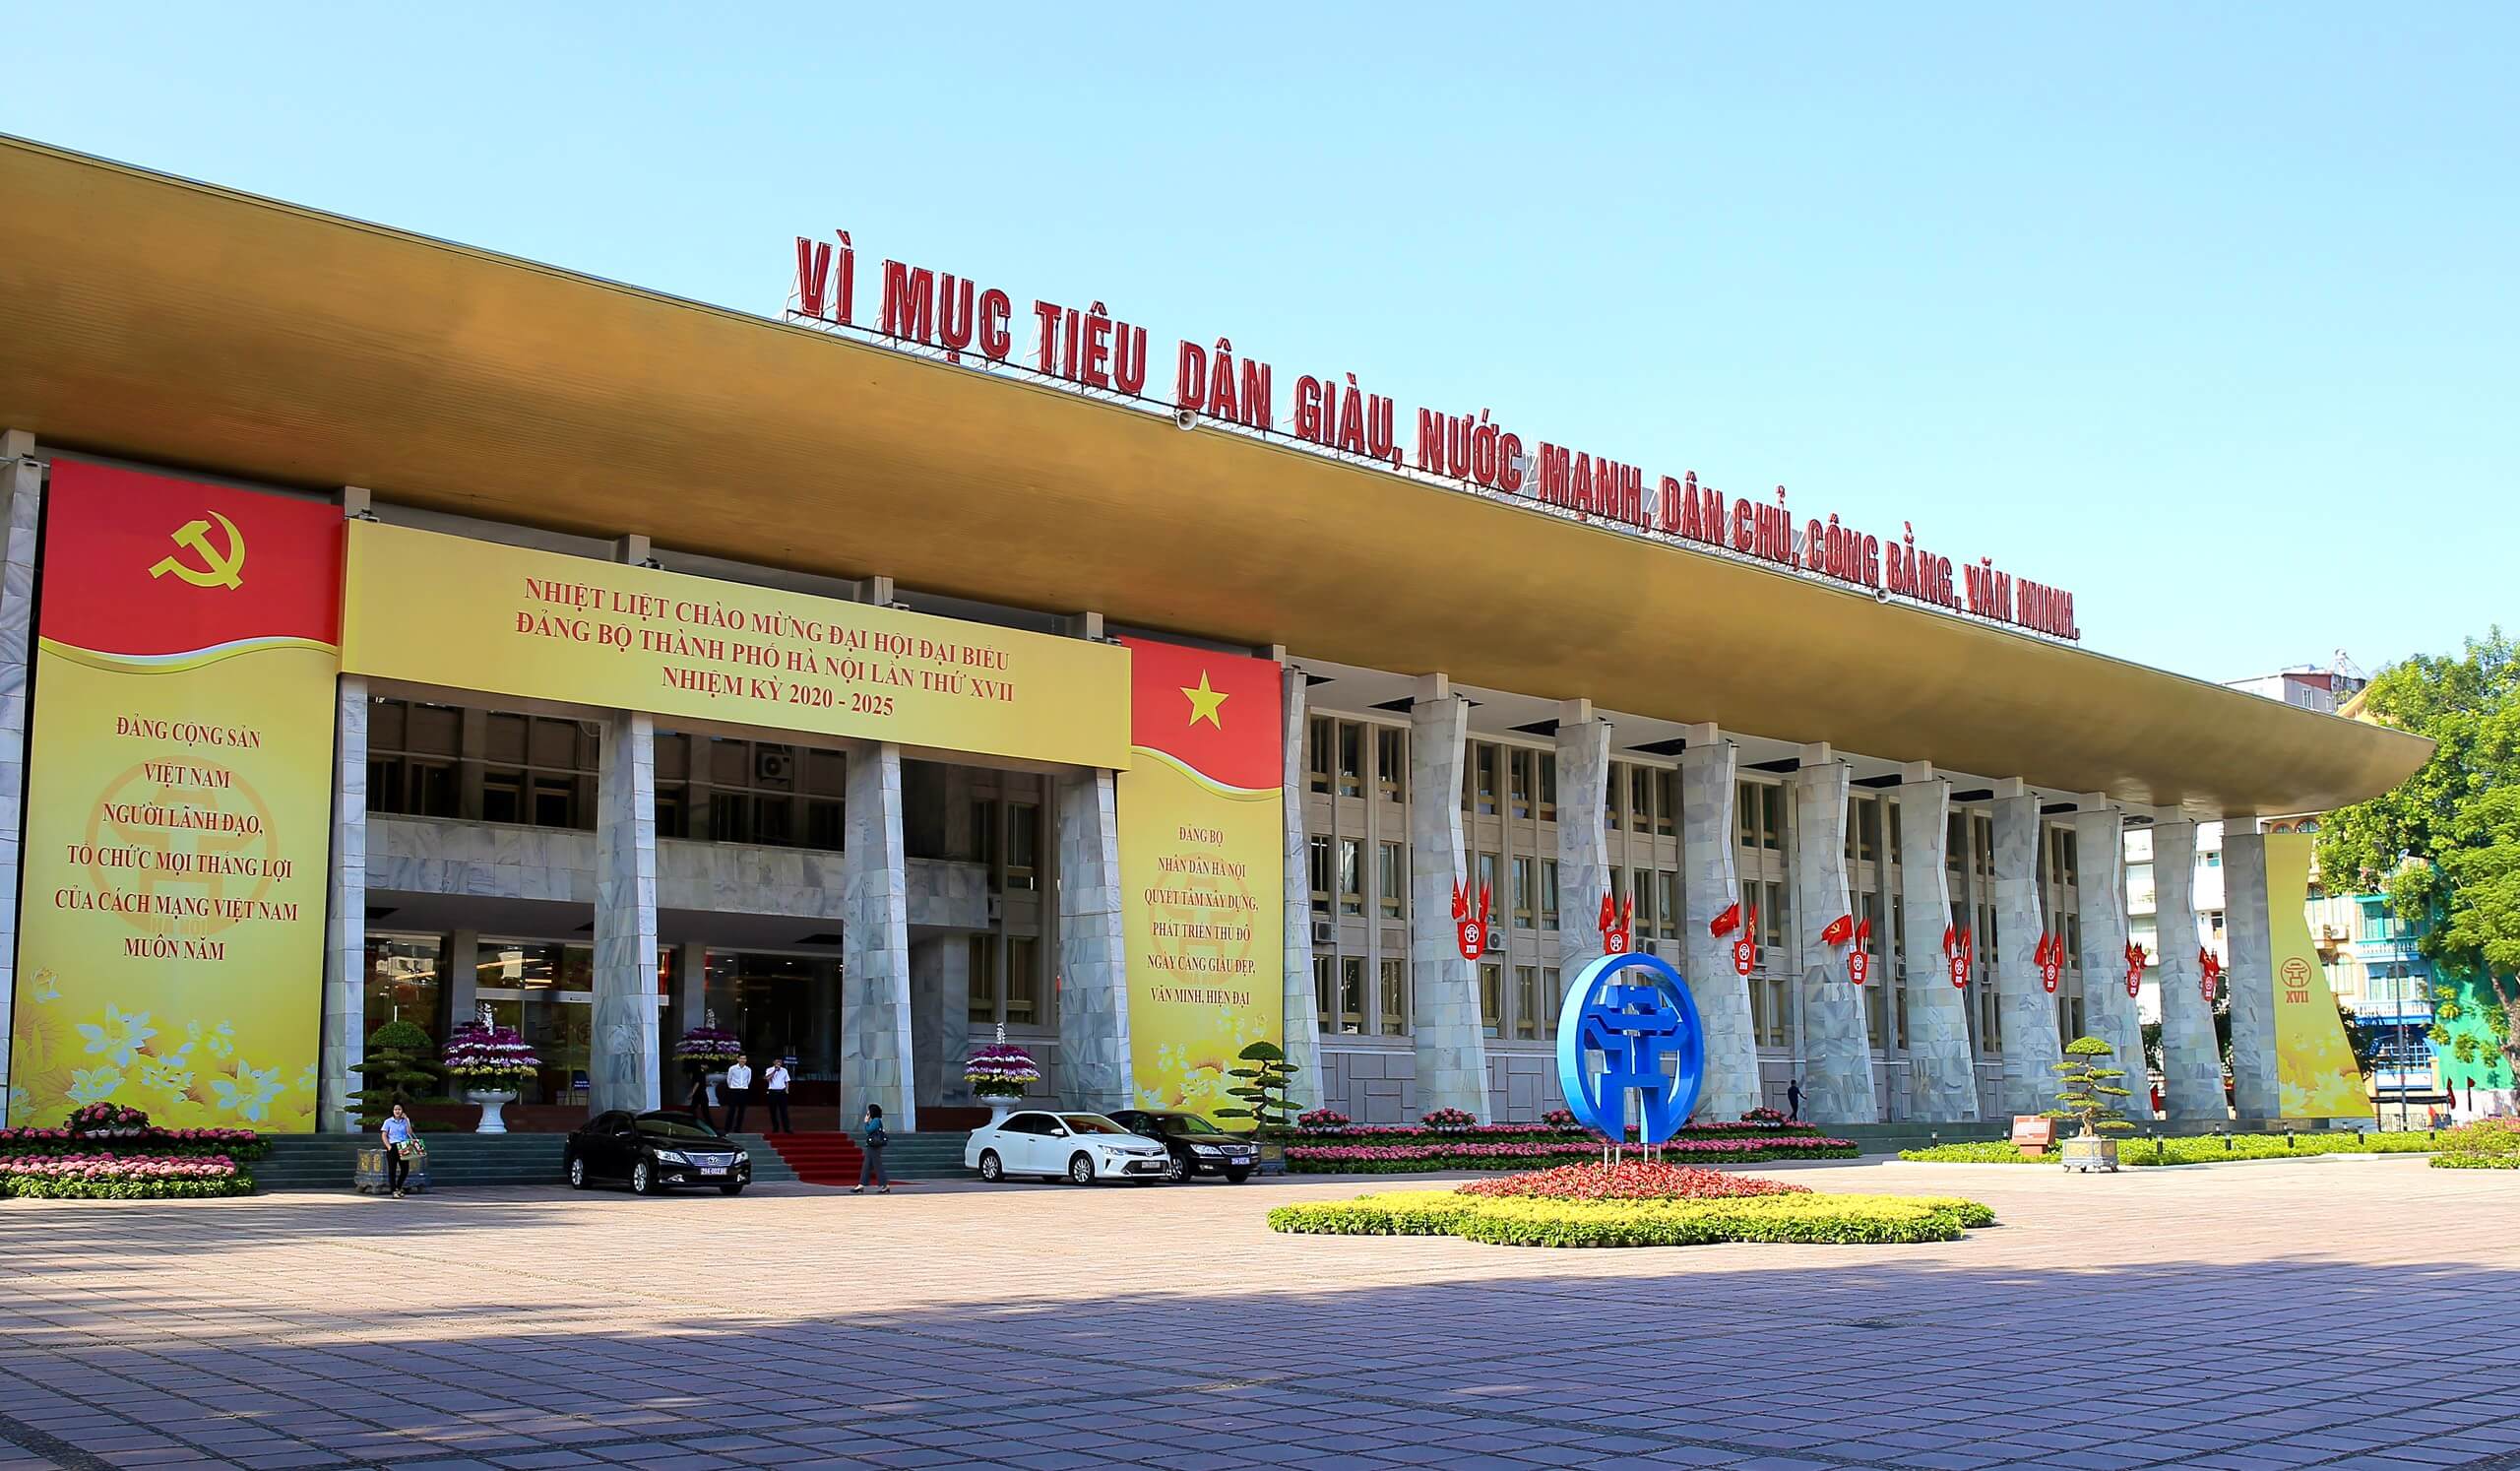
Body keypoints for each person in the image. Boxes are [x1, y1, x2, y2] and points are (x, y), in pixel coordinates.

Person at [380, 1102, 415, 1199]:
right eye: (395, 1109)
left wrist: (407, 1120)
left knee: (405, 1170)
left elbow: (410, 1133)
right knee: (392, 1170)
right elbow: (384, 1135)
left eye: (399, 1109)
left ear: (402, 1110)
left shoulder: (405, 1121)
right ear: (393, 1111)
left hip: (404, 1146)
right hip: (393, 1146)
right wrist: (388, 1146)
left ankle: (398, 1188)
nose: (397, 1111)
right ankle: (394, 1191)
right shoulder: (388, 1121)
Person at [852, 1103, 890, 1194]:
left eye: (869, 1110)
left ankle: (885, 1185)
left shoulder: (876, 1120)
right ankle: (861, 1185)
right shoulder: (876, 1120)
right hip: (872, 1146)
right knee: (866, 1166)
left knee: (877, 1165)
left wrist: (866, 1122)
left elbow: (869, 1130)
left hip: (875, 1146)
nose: (868, 1112)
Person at [724, 1055, 754, 1133]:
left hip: (743, 1091)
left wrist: (744, 1087)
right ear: (738, 1059)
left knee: (741, 1111)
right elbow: (729, 1079)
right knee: (731, 1110)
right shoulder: (732, 1068)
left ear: (746, 1060)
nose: (743, 1060)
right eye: (741, 1058)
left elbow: (748, 1080)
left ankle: (737, 1128)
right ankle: (727, 1128)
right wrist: (732, 1087)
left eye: (744, 1058)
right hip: (734, 1091)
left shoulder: (748, 1069)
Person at [764, 1057, 792, 1134]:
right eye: (776, 1062)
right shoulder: (769, 1069)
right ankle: (775, 1128)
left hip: (782, 1093)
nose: (778, 1063)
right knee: (773, 1111)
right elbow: (767, 1079)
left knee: (784, 1111)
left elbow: (787, 1081)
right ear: (773, 1062)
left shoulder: (784, 1070)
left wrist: (787, 1090)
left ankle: (787, 1128)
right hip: (772, 1092)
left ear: (781, 1063)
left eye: (779, 1062)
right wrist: (774, 1071)